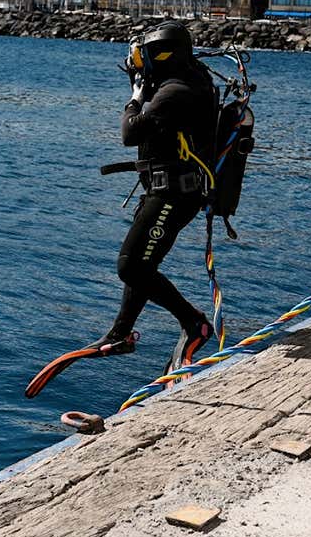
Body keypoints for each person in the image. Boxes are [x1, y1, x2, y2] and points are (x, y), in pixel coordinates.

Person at [91, 20, 219, 372]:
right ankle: (120, 333)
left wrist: (134, 97)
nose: (137, 64)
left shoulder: (177, 90)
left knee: (130, 265)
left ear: (162, 56)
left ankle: (194, 323)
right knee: (142, 268)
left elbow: (129, 133)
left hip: (174, 195)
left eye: (141, 55)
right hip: (167, 190)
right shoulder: (187, 80)